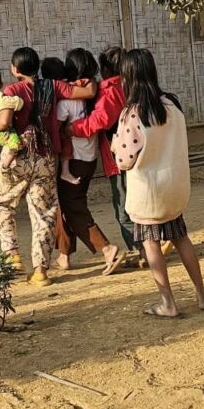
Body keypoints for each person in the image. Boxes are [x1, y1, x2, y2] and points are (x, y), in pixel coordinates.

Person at [113, 48, 204, 319]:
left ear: (127, 77)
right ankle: (202, 295)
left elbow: (124, 160)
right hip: (174, 188)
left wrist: (115, 145)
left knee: (151, 244)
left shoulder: (132, 114)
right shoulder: (172, 104)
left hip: (148, 191)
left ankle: (167, 302)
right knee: (181, 238)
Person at [0, 46, 60, 286]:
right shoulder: (51, 87)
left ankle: (13, 255)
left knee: (0, 202)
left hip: (19, 156)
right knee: (44, 213)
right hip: (46, 158)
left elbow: (5, 121)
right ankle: (40, 271)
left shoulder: (12, 90)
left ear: (15, 68)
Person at [53, 47, 123, 274]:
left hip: (75, 159)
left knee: (73, 206)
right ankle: (64, 255)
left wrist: (67, 130)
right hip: (90, 157)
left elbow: (60, 125)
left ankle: (106, 248)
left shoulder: (68, 97)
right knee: (65, 203)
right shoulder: (93, 91)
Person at [68, 45, 138, 264]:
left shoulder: (109, 91)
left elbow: (100, 121)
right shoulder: (131, 86)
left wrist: (71, 129)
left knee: (123, 209)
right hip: (139, 155)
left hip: (118, 160)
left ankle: (141, 249)